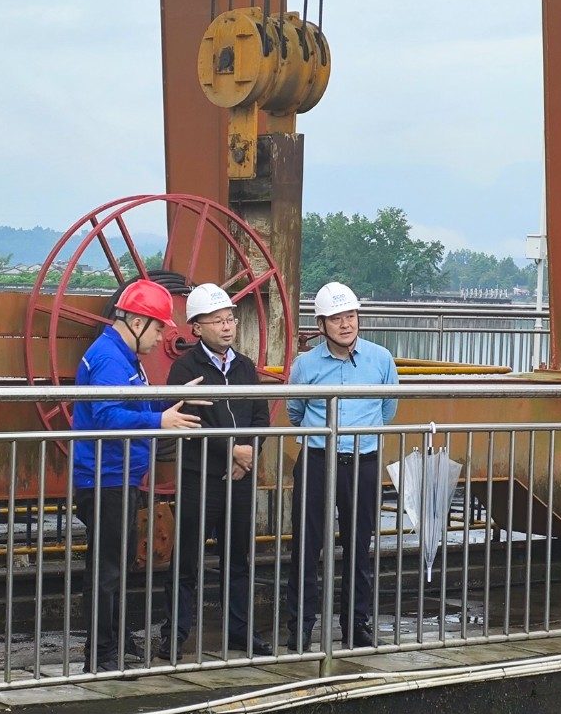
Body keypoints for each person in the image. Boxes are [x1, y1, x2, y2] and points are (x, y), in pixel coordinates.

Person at [71, 278, 207, 673]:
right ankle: (102, 655)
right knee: (108, 569)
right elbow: (107, 416)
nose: (163, 336)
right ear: (136, 322)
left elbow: (132, 404)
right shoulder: (111, 359)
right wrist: (160, 420)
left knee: (114, 566)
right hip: (107, 477)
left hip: (116, 475)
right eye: (159, 327)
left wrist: (169, 398)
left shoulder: (121, 355)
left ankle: (112, 645)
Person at [160, 283, 273, 659]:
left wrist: (249, 454)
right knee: (186, 559)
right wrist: (232, 452)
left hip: (239, 478)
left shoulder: (245, 367)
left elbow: (260, 417)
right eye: (217, 321)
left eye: (230, 320)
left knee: (238, 558)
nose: (227, 327)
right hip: (200, 477)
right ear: (196, 328)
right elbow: (189, 420)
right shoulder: (185, 369)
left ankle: (240, 632)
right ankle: (175, 636)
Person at [285, 281, 398, 651]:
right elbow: (294, 412)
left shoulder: (381, 359)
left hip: (363, 462)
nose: (346, 324)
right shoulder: (305, 365)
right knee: (306, 547)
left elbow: (387, 410)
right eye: (336, 318)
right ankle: (301, 627)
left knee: (359, 546)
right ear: (321, 325)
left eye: (350, 316)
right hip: (317, 460)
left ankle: (356, 625)